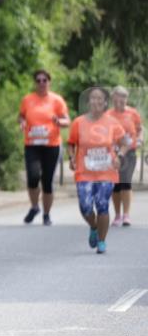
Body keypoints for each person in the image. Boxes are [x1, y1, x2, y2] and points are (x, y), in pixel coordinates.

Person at [67, 87, 131, 254]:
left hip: (106, 172)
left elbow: (125, 143)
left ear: (105, 103)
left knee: (102, 206)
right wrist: (72, 157)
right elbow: (71, 143)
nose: (95, 101)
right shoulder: (78, 122)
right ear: (88, 102)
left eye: (99, 99)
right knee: (85, 206)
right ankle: (94, 226)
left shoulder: (112, 123)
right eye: (92, 98)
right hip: (84, 173)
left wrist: (119, 157)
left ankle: (101, 241)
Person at [18, 69, 70, 225]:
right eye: (38, 80)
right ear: (35, 83)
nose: (41, 83)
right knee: (32, 178)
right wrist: (21, 122)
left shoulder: (57, 100)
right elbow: (21, 115)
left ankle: (46, 215)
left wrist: (58, 122)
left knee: (47, 181)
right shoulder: (28, 99)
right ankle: (35, 207)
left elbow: (67, 121)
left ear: (49, 82)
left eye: (44, 80)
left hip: (51, 145)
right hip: (32, 144)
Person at [106, 86, 143, 226]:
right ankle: (117, 215)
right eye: (118, 96)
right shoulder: (108, 114)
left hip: (129, 152)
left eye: (123, 97)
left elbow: (140, 130)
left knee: (125, 182)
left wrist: (140, 139)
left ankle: (126, 215)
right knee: (115, 184)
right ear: (112, 98)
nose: (121, 100)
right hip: (112, 152)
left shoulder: (133, 113)